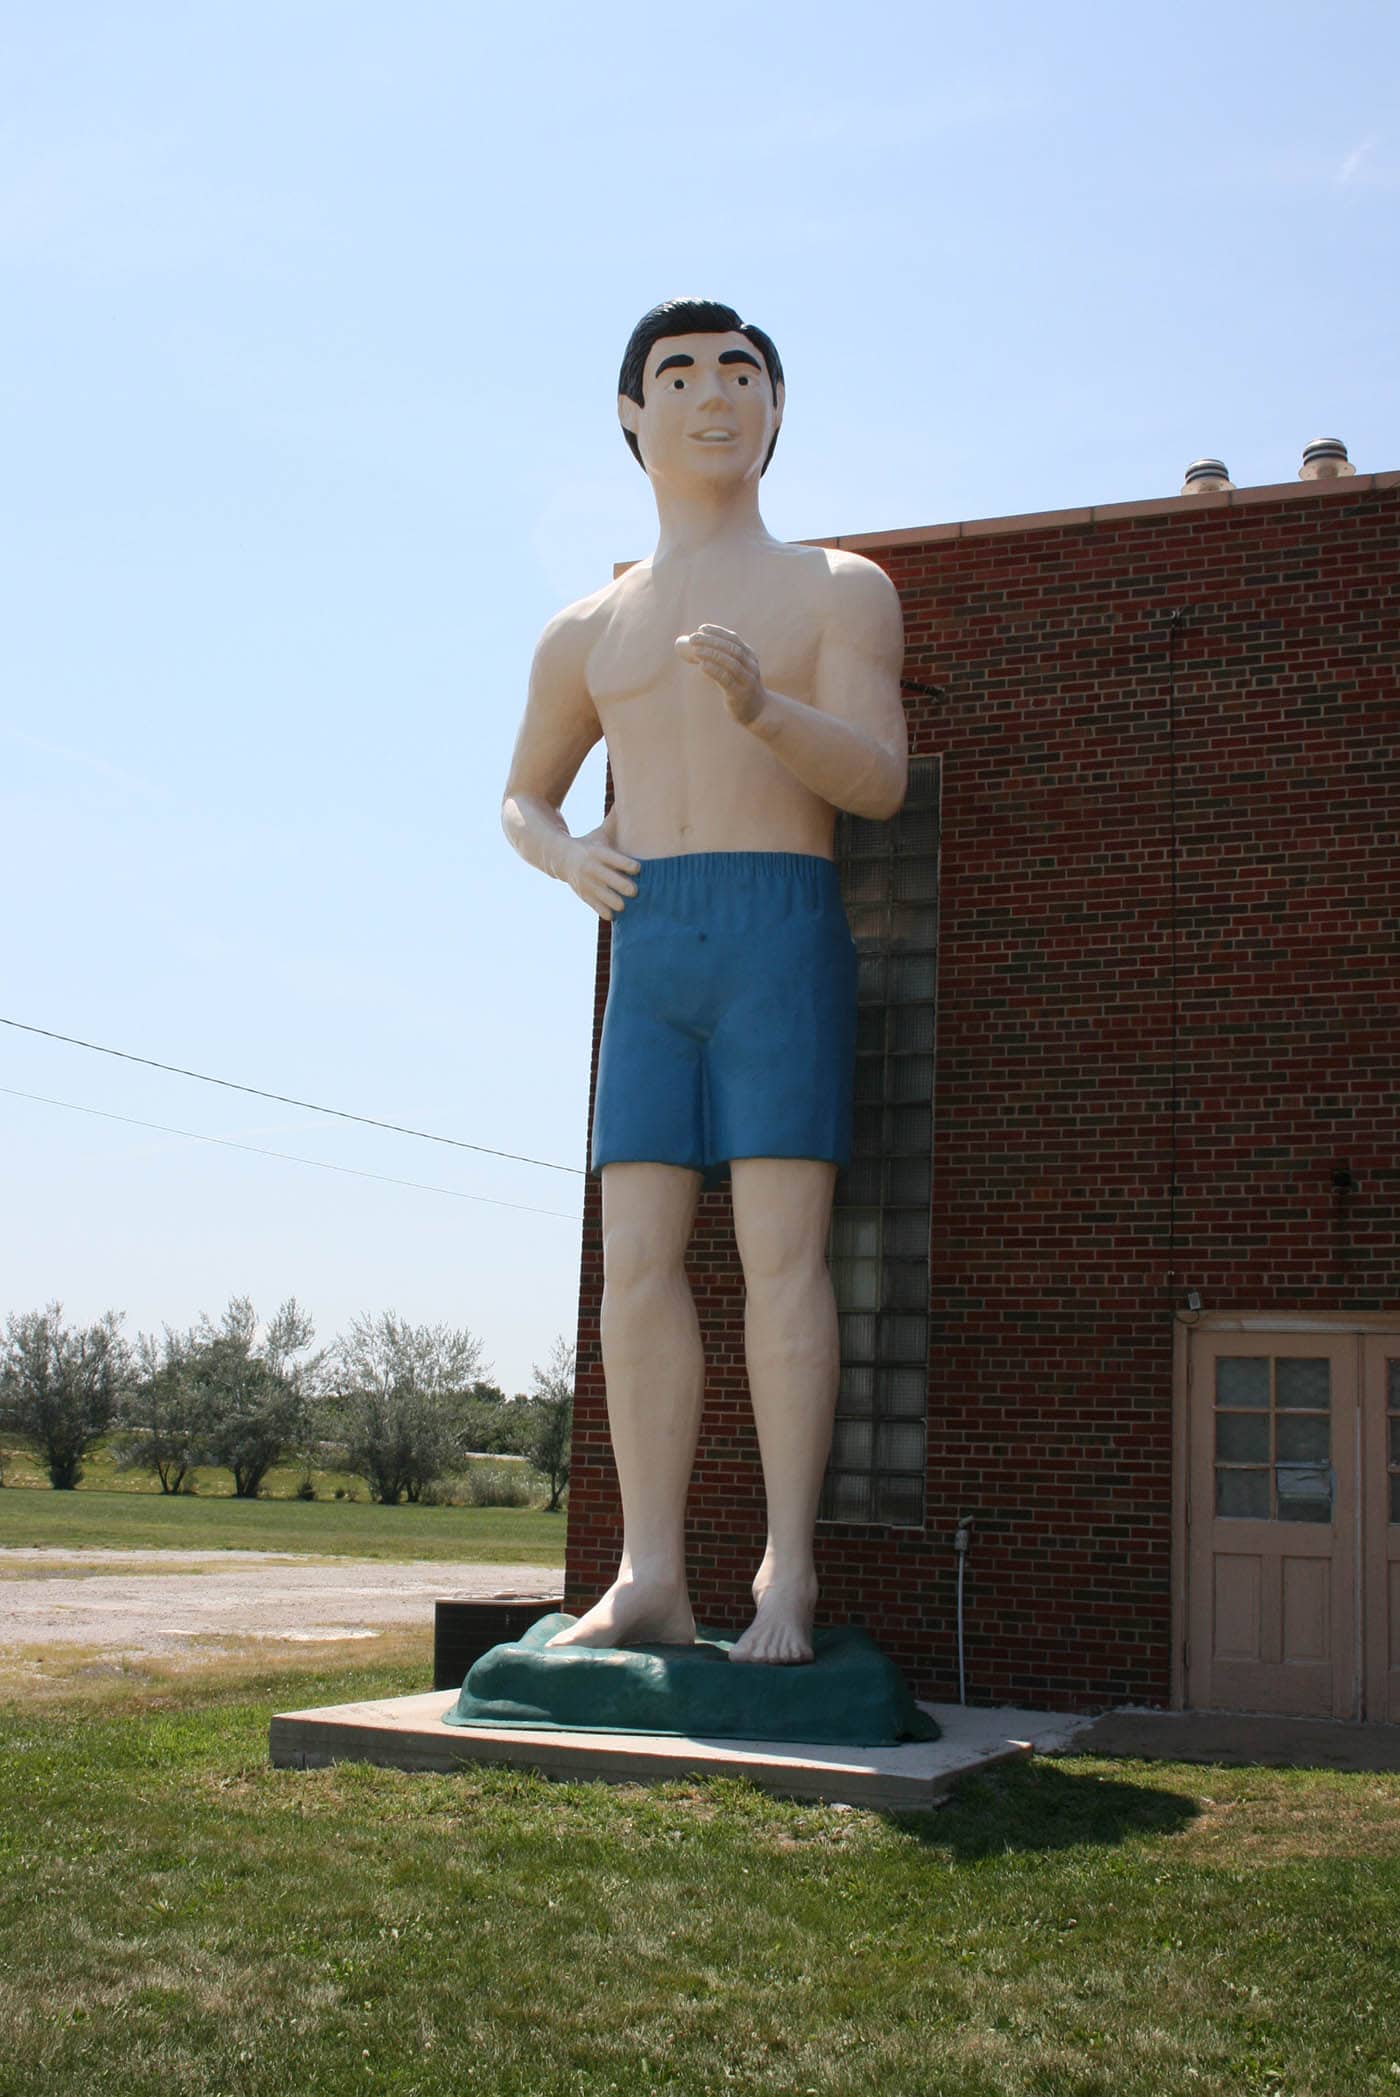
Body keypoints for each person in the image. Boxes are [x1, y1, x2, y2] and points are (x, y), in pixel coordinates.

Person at [502, 299, 907, 1663]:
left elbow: (882, 779)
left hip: (782, 922)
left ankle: (786, 1570)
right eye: (679, 375)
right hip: (653, 940)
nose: (713, 395)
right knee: (635, 1266)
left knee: (782, 1253)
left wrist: (762, 710)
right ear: (633, 416)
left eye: (743, 373)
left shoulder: (837, 589)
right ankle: (652, 1568)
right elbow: (517, 794)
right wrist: (564, 857)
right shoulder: (588, 628)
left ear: (777, 411)